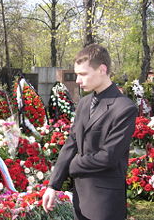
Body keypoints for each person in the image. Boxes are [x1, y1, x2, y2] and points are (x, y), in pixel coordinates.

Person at [42, 44, 138, 220]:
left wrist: (72, 166)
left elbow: (108, 157)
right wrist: (53, 185)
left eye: (83, 74)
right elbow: (71, 144)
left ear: (102, 69)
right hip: (80, 196)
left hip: (105, 202)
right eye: (77, 74)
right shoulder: (85, 103)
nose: (78, 80)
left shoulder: (124, 108)